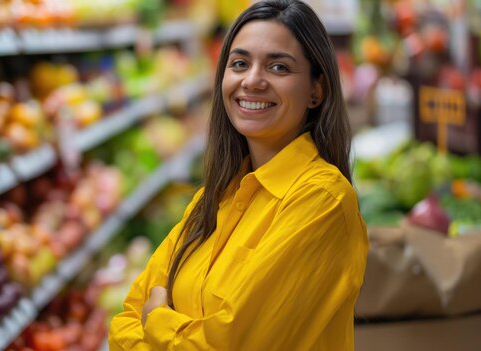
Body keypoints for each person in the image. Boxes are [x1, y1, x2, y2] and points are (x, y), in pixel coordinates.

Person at [108, 1, 368, 350]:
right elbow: (124, 321)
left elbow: (232, 345)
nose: (252, 80)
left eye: (278, 67)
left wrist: (156, 319)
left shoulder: (323, 201)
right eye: (240, 63)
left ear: (315, 90)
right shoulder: (213, 199)